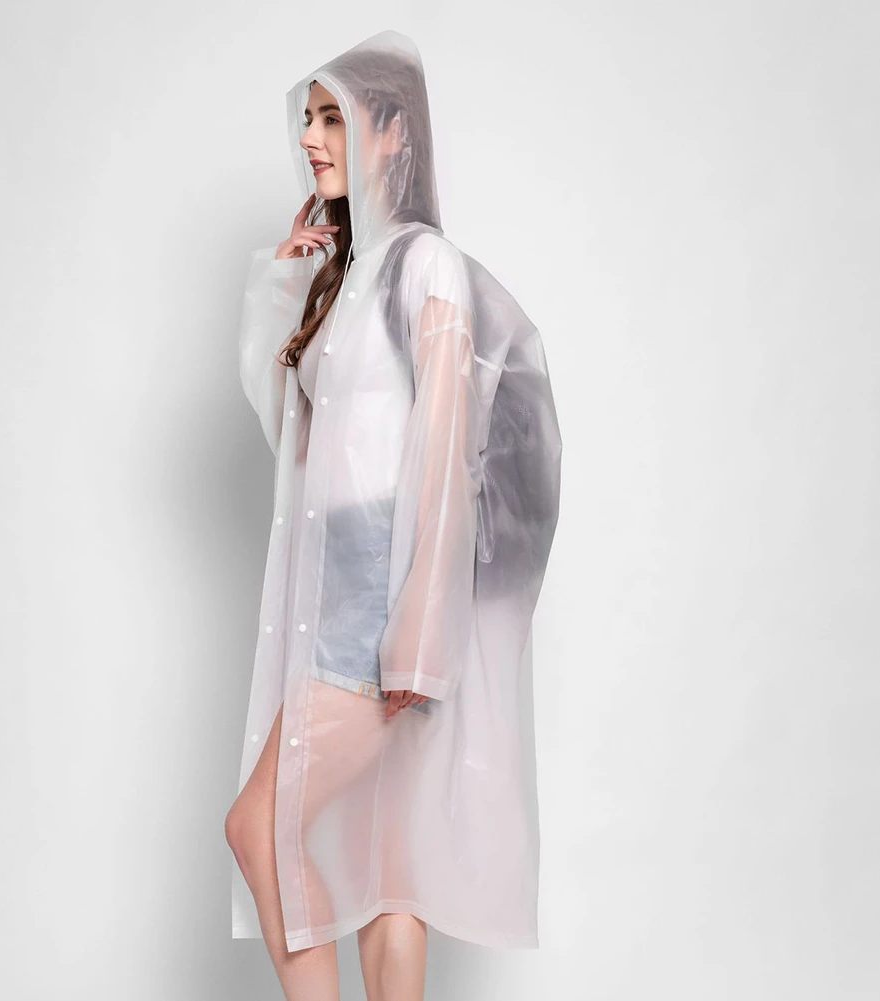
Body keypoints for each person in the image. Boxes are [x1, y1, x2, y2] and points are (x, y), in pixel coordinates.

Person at [225, 29, 562, 1001]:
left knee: (259, 828)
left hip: (378, 615)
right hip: (340, 602)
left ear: (393, 132)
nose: (310, 139)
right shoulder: (350, 275)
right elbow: (296, 443)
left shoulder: (425, 265)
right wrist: (284, 283)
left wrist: (419, 629)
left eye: (333, 118)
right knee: (387, 877)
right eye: (307, 119)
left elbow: (446, 445)